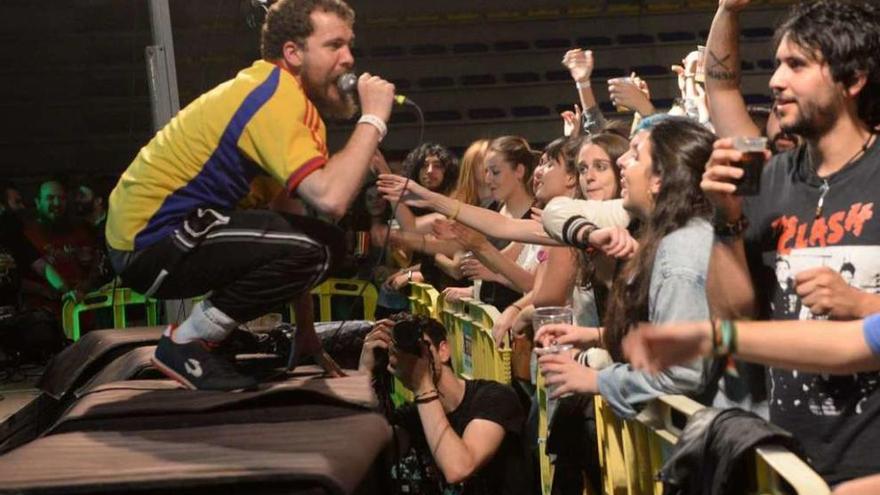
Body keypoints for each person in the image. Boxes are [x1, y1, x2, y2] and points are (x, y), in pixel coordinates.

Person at [105, 0, 395, 391]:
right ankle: (185, 343)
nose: (348, 59)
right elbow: (332, 199)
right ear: (292, 53)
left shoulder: (292, 106)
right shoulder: (274, 99)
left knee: (317, 241)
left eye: (349, 45)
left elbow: (292, 227)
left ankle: (207, 338)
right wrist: (373, 119)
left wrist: (306, 331)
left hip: (159, 241)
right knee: (327, 244)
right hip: (150, 241)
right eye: (334, 46)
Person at [702, 0, 880, 484]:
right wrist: (726, 219)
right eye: (777, 63)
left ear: (854, 79)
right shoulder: (770, 178)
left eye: (796, 65)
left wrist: (865, 305)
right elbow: (732, 319)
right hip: (790, 462)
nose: (776, 80)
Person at [358, 314, 529, 495]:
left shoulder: (494, 397)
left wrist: (422, 384)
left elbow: (459, 468)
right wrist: (364, 374)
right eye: (400, 352)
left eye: (420, 347)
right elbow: (362, 459)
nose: (412, 358)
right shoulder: (411, 418)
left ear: (444, 350)